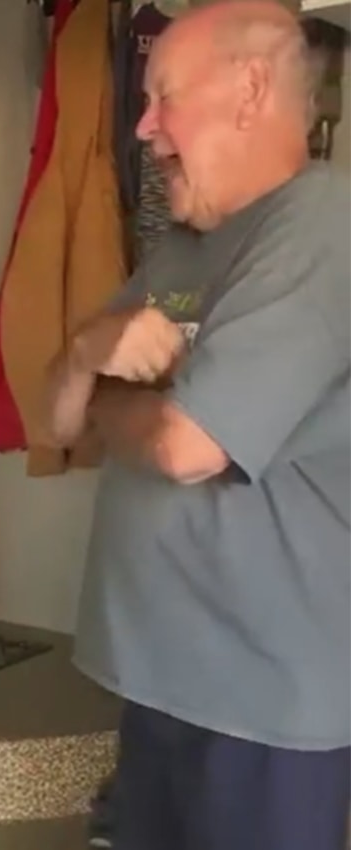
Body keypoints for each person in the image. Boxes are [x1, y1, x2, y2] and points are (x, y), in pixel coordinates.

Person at [47, 2, 351, 848]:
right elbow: (61, 415)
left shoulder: (320, 225)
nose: (144, 127)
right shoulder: (186, 244)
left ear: (250, 89)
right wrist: (85, 352)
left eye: (163, 98)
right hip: (166, 678)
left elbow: (188, 447)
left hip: (260, 702)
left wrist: (107, 393)